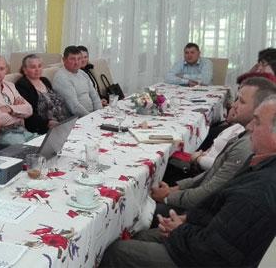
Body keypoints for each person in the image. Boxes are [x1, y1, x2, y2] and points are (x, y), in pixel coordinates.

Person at [100, 95, 276, 268]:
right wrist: (187, 219)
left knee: (116, 251)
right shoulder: (258, 162)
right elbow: (218, 205)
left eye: (258, 122)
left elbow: (213, 252)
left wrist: (180, 229)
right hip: (200, 234)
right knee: (139, 236)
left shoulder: (259, 191)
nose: (251, 127)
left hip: (199, 254)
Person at [151, 77, 276, 221]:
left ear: (259, 108)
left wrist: (167, 197)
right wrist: (175, 188)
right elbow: (211, 173)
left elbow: (211, 191)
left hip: (197, 210)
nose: (233, 105)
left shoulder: (248, 146)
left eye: (241, 101)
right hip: (197, 200)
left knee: (145, 212)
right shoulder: (242, 132)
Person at [0, 55, 37, 145]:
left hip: (22, 130)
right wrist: (20, 115)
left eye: (2, 69)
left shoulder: (10, 85)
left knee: (42, 144)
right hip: (3, 134)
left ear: (6, 70)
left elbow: (29, 109)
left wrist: (9, 109)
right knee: (28, 150)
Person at [15, 54, 70, 134]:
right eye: (33, 67)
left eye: (39, 66)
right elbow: (28, 114)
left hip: (62, 122)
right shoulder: (22, 85)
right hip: (44, 128)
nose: (37, 69)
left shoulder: (45, 80)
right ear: (25, 70)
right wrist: (47, 123)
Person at [52, 45, 103, 117]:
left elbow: (95, 96)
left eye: (79, 59)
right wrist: (92, 118)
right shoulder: (62, 78)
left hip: (92, 115)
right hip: (77, 119)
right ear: (64, 60)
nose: (76, 62)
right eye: (72, 59)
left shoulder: (82, 73)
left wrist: (99, 114)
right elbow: (74, 107)